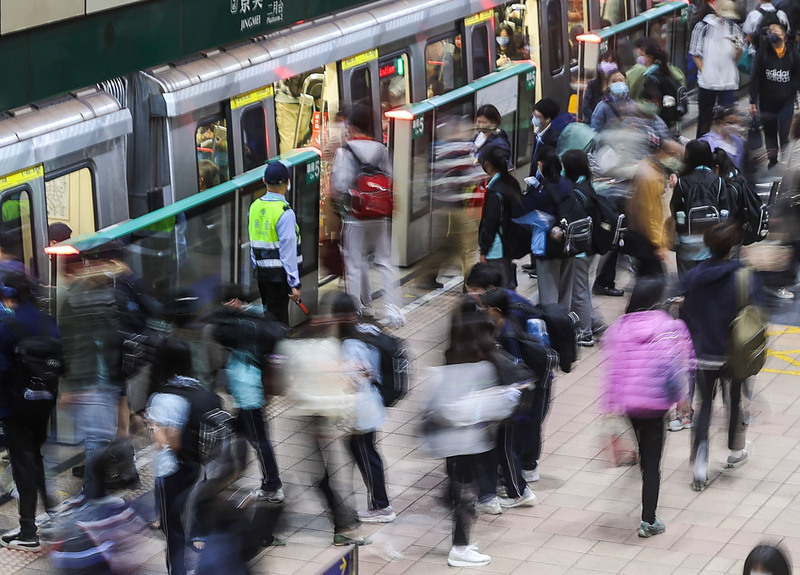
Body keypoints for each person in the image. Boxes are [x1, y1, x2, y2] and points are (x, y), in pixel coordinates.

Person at [601, 278, 694, 538]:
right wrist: (682, 401)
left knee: (644, 450)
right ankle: (648, 520)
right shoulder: (670, 326)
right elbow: (676, 367)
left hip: (630, 405)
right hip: (656, 405)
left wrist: (610, 405)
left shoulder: (619, 328)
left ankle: (641, 458)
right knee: (652, 464)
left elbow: (614, 371)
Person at [681, 223, 762, 491]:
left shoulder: (694, 276)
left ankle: (699, 465)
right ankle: (735, 451)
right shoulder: (742, 276)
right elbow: (752, 310)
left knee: (704, 405)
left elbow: (686, 309)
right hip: (733, 352)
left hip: (703, 351)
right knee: (735, 400)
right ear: (732, 248)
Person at [147, 337, 223, 575]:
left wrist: (154, 427)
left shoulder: (163, 398)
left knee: (174, 529)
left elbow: (169, 444)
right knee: (198, 512)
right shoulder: (203, 392)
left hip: (171, 470)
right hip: (200, 466)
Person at [209, 284, 285, 504]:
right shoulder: (260, 316)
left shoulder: (243, 324)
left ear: (234, 302)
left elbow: (219, 333)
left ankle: (272, 485)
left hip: (248, 390)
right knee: (236, 431)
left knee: (259, 439)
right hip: (250, 388)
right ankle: (232, 470)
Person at [0, 272, 60, 552]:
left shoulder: (7, 326)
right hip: (44, 402)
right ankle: (49, 512)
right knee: (35, 456)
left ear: (9, 295)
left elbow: (2, 370)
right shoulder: (49, 322)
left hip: (15, 406)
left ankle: (28, 532)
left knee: (22, 464)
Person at [332, 105, 405, 327]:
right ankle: (394, 312)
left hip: (355, 217)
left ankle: (354, 314)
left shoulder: (345, 151)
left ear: (352, 127)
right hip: (380, 216)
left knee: (354, 264)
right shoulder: (382, 149)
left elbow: (339, 185)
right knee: (384, 263)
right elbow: (391, 180)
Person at [331, 293, 396, 524]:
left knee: (366, 454)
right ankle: (379, 503)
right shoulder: (369, 330)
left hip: (361, 407)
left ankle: (382, 506)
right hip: (372, 401)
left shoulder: (350, 344)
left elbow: (351, 381)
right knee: (365, 451)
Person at [248, 161, 302, 325]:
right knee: (278, 321)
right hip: (279, 276)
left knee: (269, 315)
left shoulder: (255, 206)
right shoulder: (285, 212)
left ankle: (269, 347)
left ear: (264, 181)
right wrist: (294, 283)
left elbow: (252, 241)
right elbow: (288, 251)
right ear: (287, 182)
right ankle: (276, 349)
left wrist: (257, 266)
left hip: (262, 273)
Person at [561, 149, 605, 346]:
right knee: (582, 288)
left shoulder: (576, 191)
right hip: (590, 246)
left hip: (580, 249)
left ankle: (585, 332)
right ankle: (592, 325)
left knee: (579, 291)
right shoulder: (586, 185)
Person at [670, 139, 730, 277]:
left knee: (687, 282)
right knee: (710, 279)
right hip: (712, 241)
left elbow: (675, 209)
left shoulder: (683, 182)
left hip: (687, 240)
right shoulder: (718, 181)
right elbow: (725, 211)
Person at [526, 146, 576, 307]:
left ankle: (552, 327)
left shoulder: (544, 189)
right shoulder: (566, 183)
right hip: (568, 243)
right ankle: (565, 327)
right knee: (565, 293)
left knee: (548, 295)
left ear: (540, 164)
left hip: (547, 246)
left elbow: (532, 215)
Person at [689, 0, 744, 138]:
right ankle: (703, 147)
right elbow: (695, 54)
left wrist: (736, 48)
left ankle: (725, 147)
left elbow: (736, 56)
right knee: (705, 117)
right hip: (707, 82)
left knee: (727, 116)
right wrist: (705, 72)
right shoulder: (702, 27)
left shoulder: (734, 28)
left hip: (727, 80)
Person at [750, 22, 800, 169]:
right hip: (767, 102)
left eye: (776, 31)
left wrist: (792, 91)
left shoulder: (793, 54)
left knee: (784, 133)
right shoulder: (763, 53)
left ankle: (786, 160)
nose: (773, 33)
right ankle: (772, 162)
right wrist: (753, 100)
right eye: (770, 30)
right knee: (770, 134)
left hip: (786, 102)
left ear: (783, 35)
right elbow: (755, 77)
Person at [478, 143, 524, 289]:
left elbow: (490, 223)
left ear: (487, 163)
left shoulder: (495, 192)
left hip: (496, 249)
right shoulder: (511, 183)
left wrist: (484, 250)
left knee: (497, 291)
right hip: (508, 245)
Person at [529, 98, 572, 175]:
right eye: (534, 115)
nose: (534, 119)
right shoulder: (538, 133)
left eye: (538, 117)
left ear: (547, 120)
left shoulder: (554, 140)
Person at [700, 106, 746, 171]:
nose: (735, 126)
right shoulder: (706, 142)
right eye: (731, 123)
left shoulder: (738, 141)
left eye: (737, 123)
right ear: (720, 123)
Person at [582, 51, 619, 123]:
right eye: (606, 61)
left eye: (612, 62)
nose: (608, 64)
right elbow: (585, 106)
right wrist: (595, 119)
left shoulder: (619, 85)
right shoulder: (592, 84)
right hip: (592, 121)